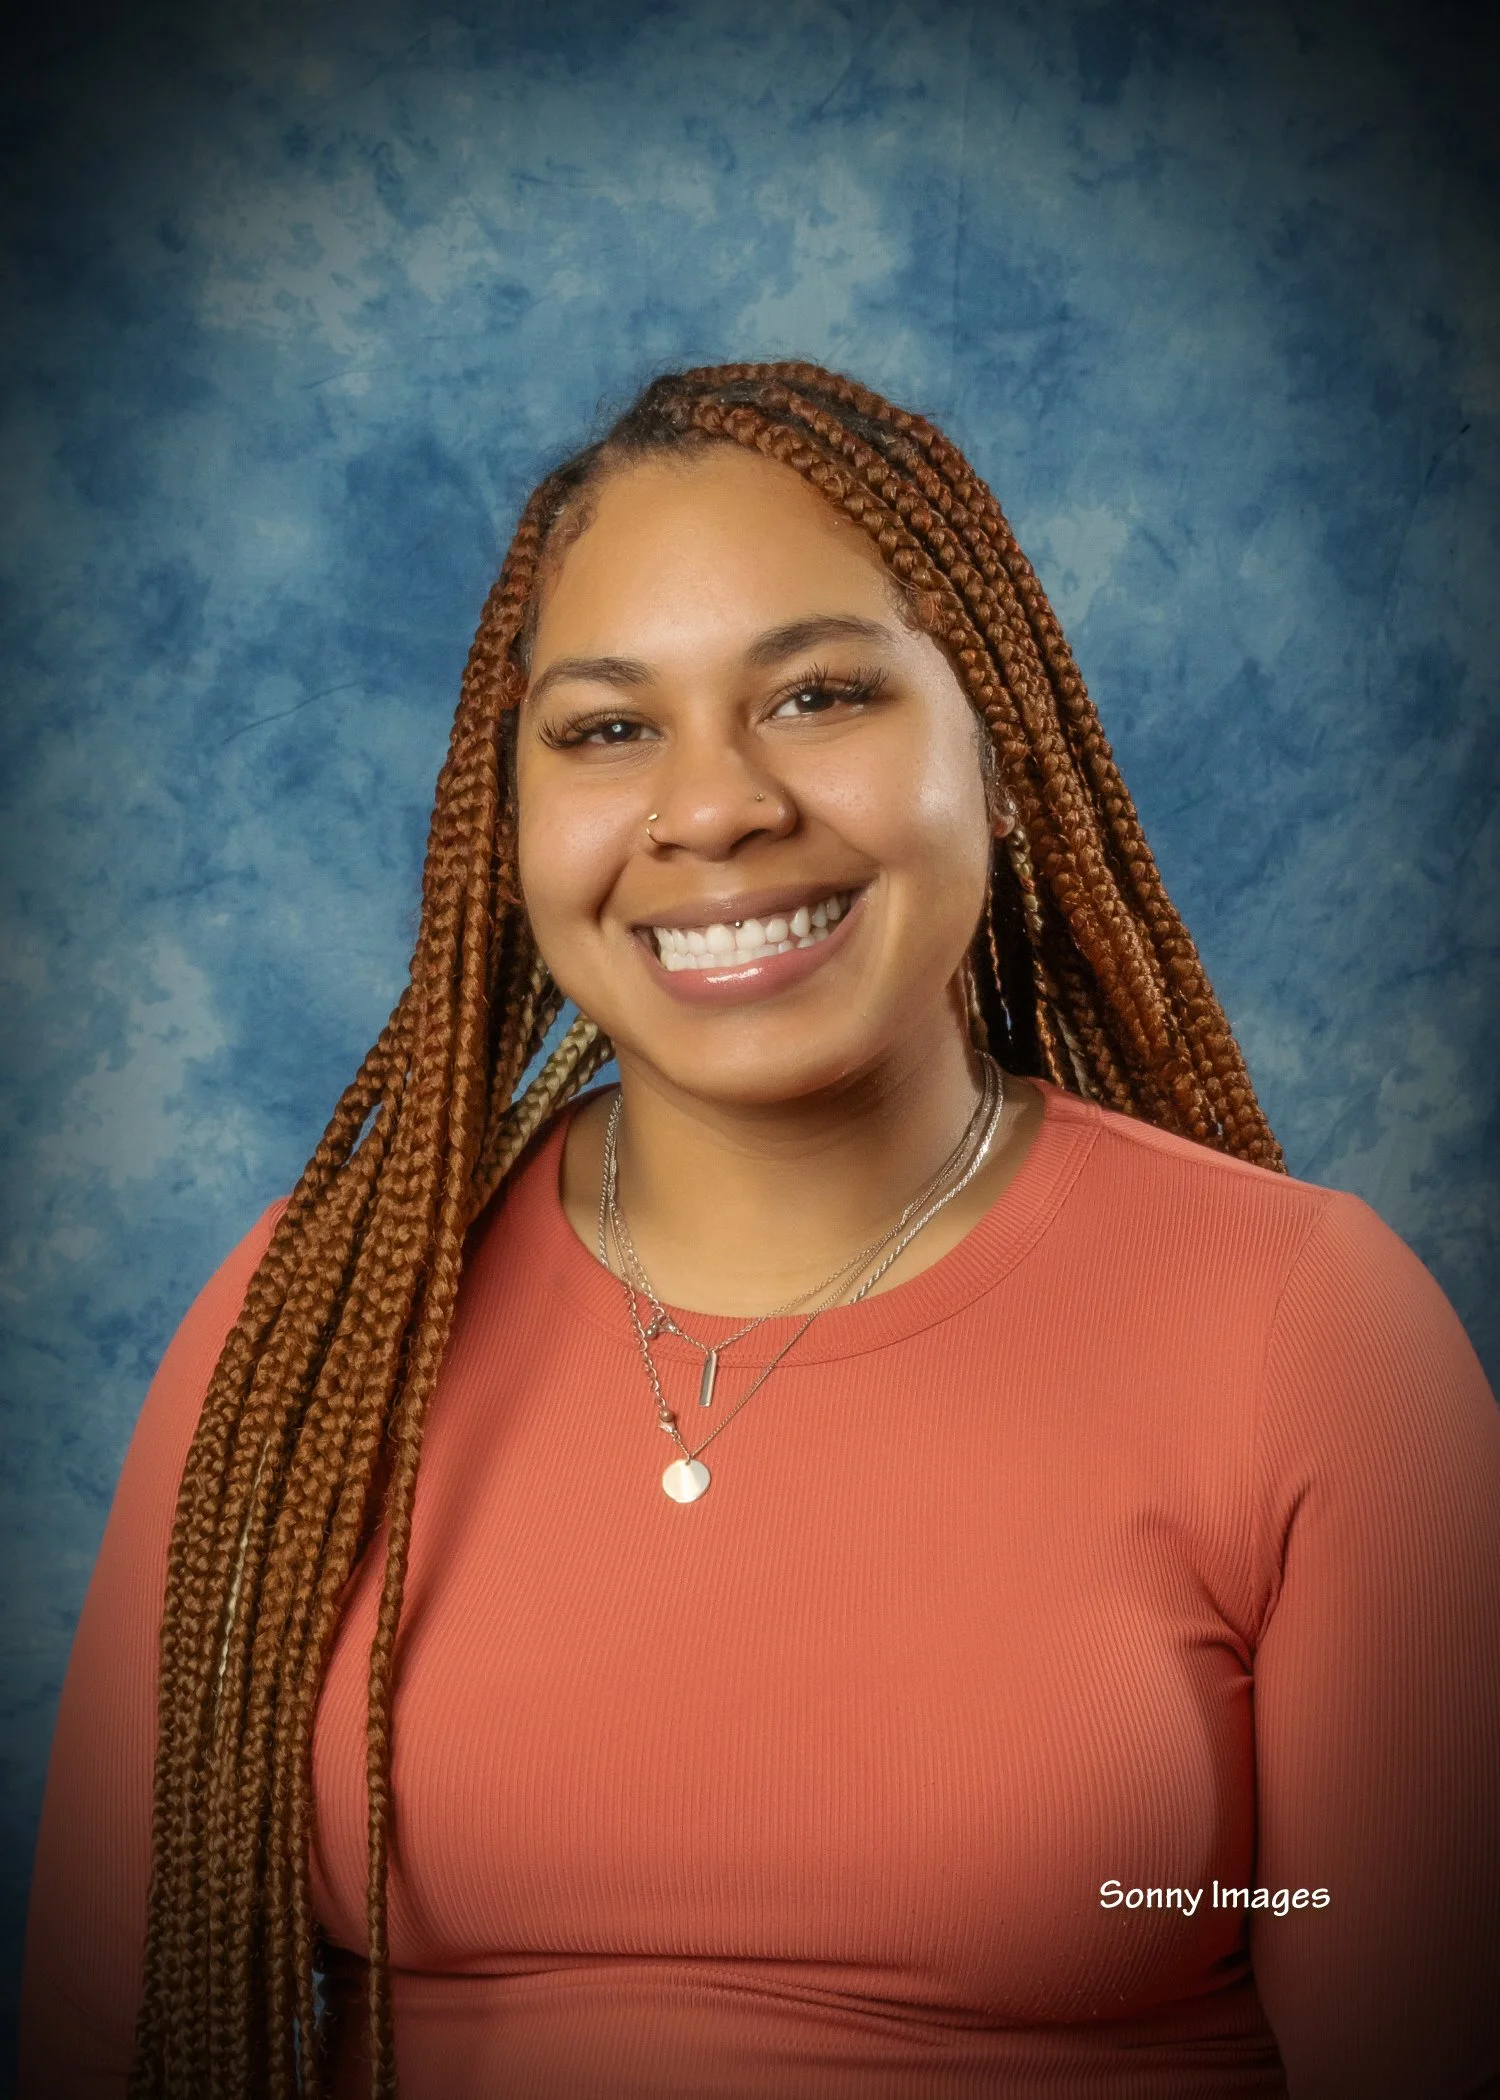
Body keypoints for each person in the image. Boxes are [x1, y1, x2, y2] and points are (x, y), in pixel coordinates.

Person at [19, 362, 1500, 2100]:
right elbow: (93, 2044)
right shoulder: (319, 1319)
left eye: (818, 696)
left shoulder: (1301, 1325)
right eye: (608, 728)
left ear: (1003, 759)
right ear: (507, 827)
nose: (713, 807)